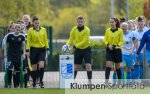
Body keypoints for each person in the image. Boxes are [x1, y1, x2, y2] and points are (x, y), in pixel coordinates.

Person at [63, 16, 92, 84]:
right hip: (78, 50)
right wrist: (67, 45)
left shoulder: (87, 30)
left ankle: (90, 83)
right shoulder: (74, 29)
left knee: (88, 66)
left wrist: (75, 46)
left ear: (83, 22)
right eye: (79, 22)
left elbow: (84, 41)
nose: (80, 23)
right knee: (76, 67)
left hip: (86, 49)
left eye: (81, 22)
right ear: (77, 22)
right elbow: (71, 39)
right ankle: (71, 82)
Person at [26, 16, 49, 88]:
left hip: (42, 49)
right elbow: (28, 41)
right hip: (33, 50)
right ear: (33, 23)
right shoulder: (30, 30)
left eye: (38, 23)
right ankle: (34, 82)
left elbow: (45, 40)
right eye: (35, 23)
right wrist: (27, 50)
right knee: (34, 68)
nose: (37, 24)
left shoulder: (43, 30)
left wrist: (47, 48)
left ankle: (41, 82)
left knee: (42, 65)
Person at [4, 24, 26, 88]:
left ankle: (16, 84)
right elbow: (5, 44)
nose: (18, 30)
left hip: (18, 55)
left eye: (19, 29)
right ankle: (9, 82)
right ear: (14, 29)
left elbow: (24, 45)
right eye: (17, 29)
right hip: (10, 55)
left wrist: (24, 53)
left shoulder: (22, 36)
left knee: (17, 70)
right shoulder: (10, 35)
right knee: (10, 68)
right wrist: (5, 52)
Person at [104, 17, 124, 84]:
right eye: (110, 22)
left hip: (117, 50)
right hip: (109, 49)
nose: (111, 23)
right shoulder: (107, 30)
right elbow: (105, 40)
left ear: (115, 22)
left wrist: (117, 46)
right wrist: (108, 45)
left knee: (117, 67)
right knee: (108, 65)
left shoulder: (120, 31)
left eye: (112, 22)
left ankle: (119, 82)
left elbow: (122, 40)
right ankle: (106, 81)